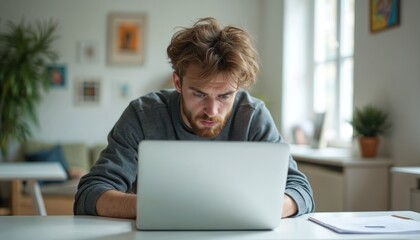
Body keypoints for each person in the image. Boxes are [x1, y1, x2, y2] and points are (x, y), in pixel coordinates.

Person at [74, 17, 314, 219]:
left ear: (238, 87)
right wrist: (155, 207)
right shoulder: (143, 115)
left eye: (225, 96)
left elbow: (301, 191)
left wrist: (259, 208)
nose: (212, 110)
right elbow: (89, 194)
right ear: (178, 82)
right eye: (199, 94)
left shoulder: (252, 116)